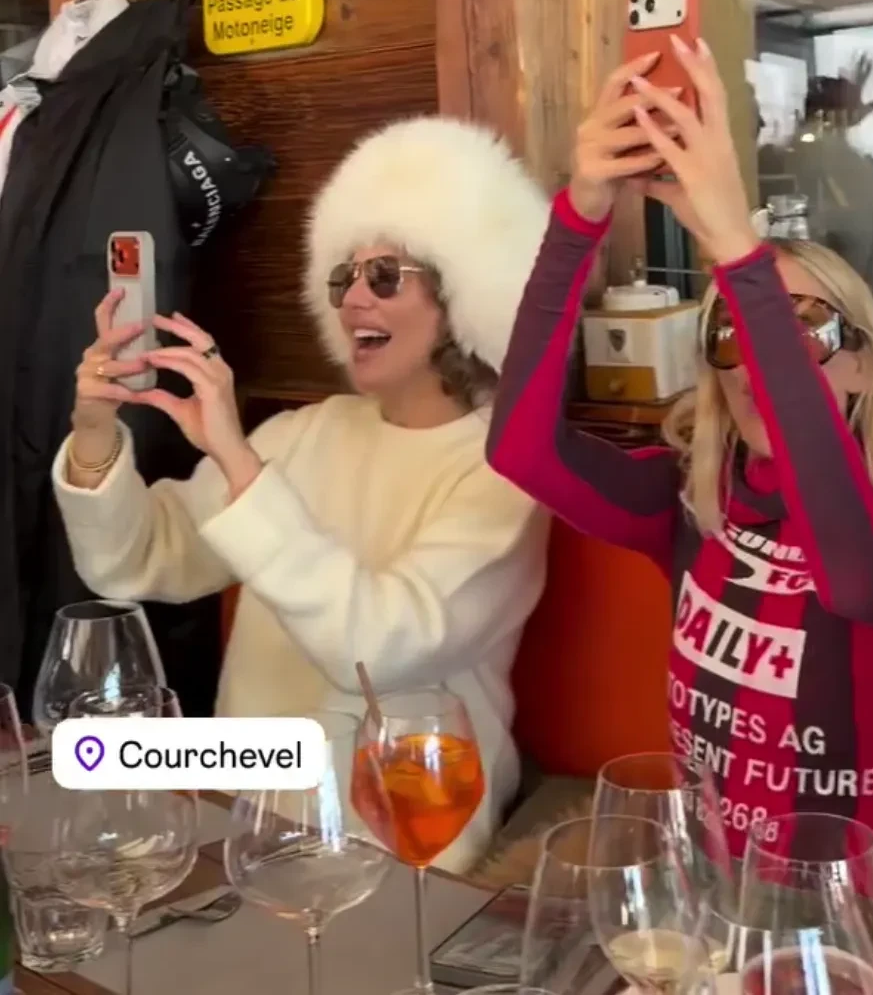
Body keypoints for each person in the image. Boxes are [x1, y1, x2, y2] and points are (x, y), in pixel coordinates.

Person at [487, 39, 873, 897]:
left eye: (810, 330)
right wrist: (581, 213)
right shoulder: (698, 507)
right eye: (737, 333)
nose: (762, 361)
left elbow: (853, 577)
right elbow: (521, 449)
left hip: (840, 930)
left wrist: (738, 248)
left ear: (865, 366)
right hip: (693, 902)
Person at [52, 115, 551, 872]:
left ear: (464, 298)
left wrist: (235, 459)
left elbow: (376, 651)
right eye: (343, 279)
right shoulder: (304, 432)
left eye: (385, 277)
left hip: (401, 836)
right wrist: (94, 429)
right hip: (245, 811)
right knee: (62, 820)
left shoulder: (502, 472)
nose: (353, 301)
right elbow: (135, 561)